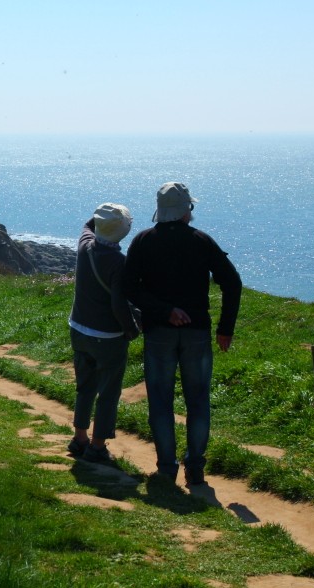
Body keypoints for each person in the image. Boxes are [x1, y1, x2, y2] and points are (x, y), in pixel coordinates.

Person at [122, 182, 242, 486]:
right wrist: (225, 328)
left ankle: (166, 468)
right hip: (197, 333)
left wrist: (163, 311)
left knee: (160, 401)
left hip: (159, 332)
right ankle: (195, 468)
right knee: (198, 401)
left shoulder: (143, 241)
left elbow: (128, 287)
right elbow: (232, 282)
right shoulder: (201, 241)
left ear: (160, 210)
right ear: (186, 208)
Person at [67, 203, 140, 462]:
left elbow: (88, 226)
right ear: (124, 231)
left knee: (85, 387)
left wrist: (102, 214)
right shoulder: (119, 263)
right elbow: (119, 305)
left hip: (78, 328)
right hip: (107, 336)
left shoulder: (85, 244)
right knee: (108, 392)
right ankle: (97, 446)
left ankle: (79, 438)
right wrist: (131, 330)